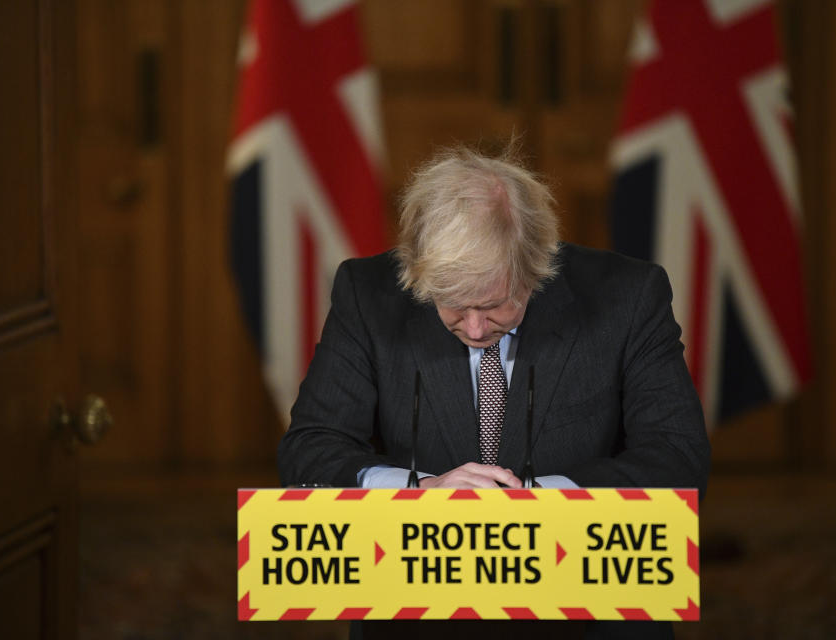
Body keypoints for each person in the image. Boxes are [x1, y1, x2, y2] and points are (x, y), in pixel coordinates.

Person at [278, 144, 710, 639]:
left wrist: (538, 502)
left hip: (589, 605)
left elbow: (678, 457)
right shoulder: (366, 294)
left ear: (536, 267)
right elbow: (309, 450)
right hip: (420, 603)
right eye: (453, 306)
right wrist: (418, 494)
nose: (477, 329)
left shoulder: (628, 297)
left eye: (496, 304)